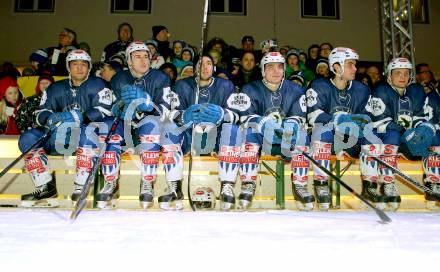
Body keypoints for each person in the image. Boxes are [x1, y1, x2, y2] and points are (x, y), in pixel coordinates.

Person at [17, 49, 114, 207]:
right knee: (28, 138)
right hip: (59, 137)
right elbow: (39, 112)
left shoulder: (99, 85)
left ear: (89, 67)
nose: (80, 68)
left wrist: (80, 117)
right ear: (69, 67)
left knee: (87, 132)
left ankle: (81, 185)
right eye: (75, 64)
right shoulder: (55, 88)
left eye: (84, 64)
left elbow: (104, 109)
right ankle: (45, 186)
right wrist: (49, 119)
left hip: (88, 140)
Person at [107, 41, 178, 210]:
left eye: (146, 57)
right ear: (129, 61)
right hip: (127, 127)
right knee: (108, 129)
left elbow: (166, 110)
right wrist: (119, 108)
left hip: (152, 128)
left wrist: (147, 105)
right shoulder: (118, 78)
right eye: (137, 57)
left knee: (150, 125)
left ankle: (147, 182)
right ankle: (111, 182)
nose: (143, 60)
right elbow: (112, 107)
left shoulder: (161, 78)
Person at [238, 52, 309, 210]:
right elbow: (245, 118)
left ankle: (300, 185)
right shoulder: (249, 88)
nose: (276, 71)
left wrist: (288, 130)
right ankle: (248, 183)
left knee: (303, 135)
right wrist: (265, 124)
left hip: (286, 141)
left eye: (280, 67)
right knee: (247, 133)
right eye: (270, 67)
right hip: (261, 142)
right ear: (263, 70)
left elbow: (300, 118)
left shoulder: (296, 90)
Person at [168, 54, 241, 210]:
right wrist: (183, 116)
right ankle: (174, 186)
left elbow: (237, 115)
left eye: (209, 63)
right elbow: (169, 113)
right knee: (170, 129)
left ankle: (227, 186)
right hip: (189, 137)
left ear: (214, 68)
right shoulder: (181, 86)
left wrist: (223, 114)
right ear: (194, 69)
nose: (205, 67)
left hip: (217, 138)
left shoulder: (226, 86)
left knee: (233, 129)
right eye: (201, 64)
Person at [306, 47, 371, 211]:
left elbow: (367, 119)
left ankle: (371, 184)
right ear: (336, 67)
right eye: (350, 64)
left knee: (373, 136)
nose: (355, 69)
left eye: (355, 65)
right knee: (322, 131)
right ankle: (321, 184)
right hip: (326, 139)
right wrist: (340, 119)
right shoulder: (319, 85)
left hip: (350, 140)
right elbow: (314, 116)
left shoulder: (362, 89)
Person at [365, 57, 431, 210]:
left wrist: (422, 129)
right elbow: (382, 121)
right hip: (384, 139)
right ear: (389, 75)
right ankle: (388, 182)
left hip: (406, 140)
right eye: (398, 73)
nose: (402, 77)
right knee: (392, 134)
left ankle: (434, 183)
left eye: (406, 73)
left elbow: (420, 115)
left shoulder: (416, 91)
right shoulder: (382, 90)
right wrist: (406, 132)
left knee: (433, 138)